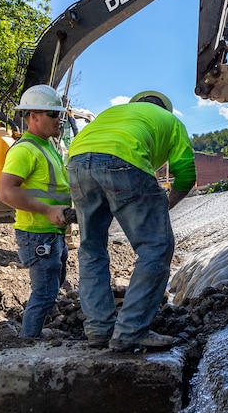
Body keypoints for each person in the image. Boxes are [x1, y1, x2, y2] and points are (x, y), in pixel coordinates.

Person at [67, 90, 196, 352]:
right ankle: (131, 331)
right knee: (155, 247)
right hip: (124, 162)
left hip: (77, 163)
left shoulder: (111, 115)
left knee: (91, 249)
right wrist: (166, 205)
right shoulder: (169, 121)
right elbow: (187, 174)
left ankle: (98, 330)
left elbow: (90, 153)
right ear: (164, 109)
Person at [0, 84, 72, 338]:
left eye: (58, 113)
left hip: (52, 233)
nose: (58, 119)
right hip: (38, 234)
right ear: (34, 116)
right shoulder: (25, 150)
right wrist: (48, 211)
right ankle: (28, 341)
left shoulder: (48, 147)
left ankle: (33, 335)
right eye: (53, 114)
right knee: (44, 292)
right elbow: (5, 192)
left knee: (52, 286)